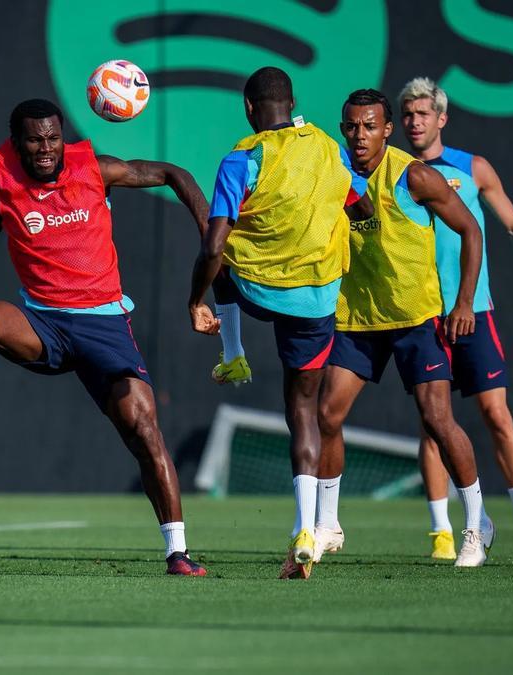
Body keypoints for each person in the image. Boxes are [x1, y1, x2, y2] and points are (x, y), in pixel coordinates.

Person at [0, 98, 209, 577]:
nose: (46, 148)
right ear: (16, 141)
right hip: (44, 325)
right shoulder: (3, 190)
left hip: (105, 326)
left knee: (144, 430)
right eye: (34, 139)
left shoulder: (97, 170)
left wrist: (210, 231)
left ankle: (178, 552)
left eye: (53, 138)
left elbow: (176, 175)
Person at [189, 67, 367, 579]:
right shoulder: (329, 150)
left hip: (258, 292)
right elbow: (360, 204)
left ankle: (232, 353)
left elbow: (214, 244)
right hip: (315, 303)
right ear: (292, 103)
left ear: (249, 108)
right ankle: (304, 527)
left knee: (219, 253)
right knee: (304, 412)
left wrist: (192, 298)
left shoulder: (241, 158)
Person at [315, 89, 493, 568]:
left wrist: (463, 303)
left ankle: (476, 524)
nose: (359, 135)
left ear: (387, 130)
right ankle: (328, 524)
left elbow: (472, 231)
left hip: (417, 318)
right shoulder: (334, 176)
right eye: (351, 126)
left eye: (369, 126)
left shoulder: (414, 175)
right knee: (327, 415)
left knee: (437, 420)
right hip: (357, 318)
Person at [398, 76, 513, 560]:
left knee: (495, 414)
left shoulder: (473, 168)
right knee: (433, 423)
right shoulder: (394, 171)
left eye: (423, 114)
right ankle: (443, 530)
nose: (414, 122)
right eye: (407, 115)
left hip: (476, 311)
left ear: (441, 119)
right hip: (424, 313)